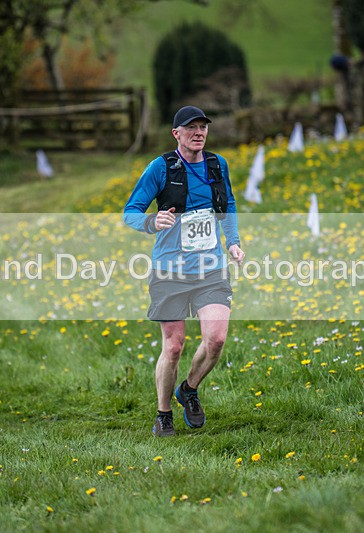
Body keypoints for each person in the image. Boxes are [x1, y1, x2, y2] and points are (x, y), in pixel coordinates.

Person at [123, 106, 245, 436]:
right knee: (174, 346)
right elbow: (129, 211)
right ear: (176, 134)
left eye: (203, 126)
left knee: (217, 339)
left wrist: (232, 242)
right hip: (169, 270)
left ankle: (188, 389)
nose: (199, 132)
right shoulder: (159, 168)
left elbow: (228, 204)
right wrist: (151, 221)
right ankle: (164, 414)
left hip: (211, 269)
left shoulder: (218, 165)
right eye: (190, 127)